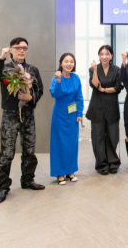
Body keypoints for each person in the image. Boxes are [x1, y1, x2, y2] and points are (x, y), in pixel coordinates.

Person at [0, 37, 44, 204]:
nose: (22, 50)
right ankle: (3, 187)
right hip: (10, 115)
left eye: (25, 48)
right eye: (18, 47)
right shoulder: (5, 68)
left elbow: (39, 90)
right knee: (7, 153)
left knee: (29, 150)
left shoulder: (33, 70)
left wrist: (30, 97)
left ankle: (27, 180)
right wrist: (1, 58)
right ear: (11, 49)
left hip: (28, 114)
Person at [86, 45, 123, 175]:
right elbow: (95, 85)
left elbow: (118, 87)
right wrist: (95, 71)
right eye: (102, 54)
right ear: (99, 56)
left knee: (113, 136)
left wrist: (105, 90)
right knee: (98, 137)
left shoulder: (117, 70)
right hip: (97, 108)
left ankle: (113, 163)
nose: (104, 56)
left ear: (111, 56)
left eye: (107, 54)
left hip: (112, 107)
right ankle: (101, 164)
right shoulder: (92, 69)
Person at [49, 53, 84, 185]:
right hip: (59, 113)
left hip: (73, 114)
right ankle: (59, 173)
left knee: (72, 143)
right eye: (66, 61)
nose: (69, 64)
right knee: (59, 143)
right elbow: (55, 94)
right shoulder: (56, 78)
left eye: (71, 61)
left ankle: (70, 170)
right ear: (61, 63)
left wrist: (80, 113)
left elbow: (79, 97)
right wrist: (58, 81)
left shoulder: (75, 78)